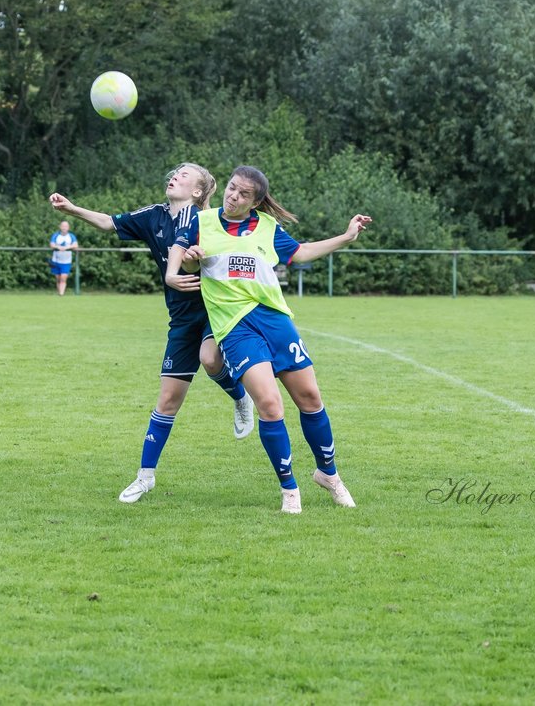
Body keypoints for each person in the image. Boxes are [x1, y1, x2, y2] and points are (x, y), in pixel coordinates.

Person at [166, 165, 371, 514]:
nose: (233, 196)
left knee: (310, 397)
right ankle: (289, 489)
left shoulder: (267, 227)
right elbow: (184, 262)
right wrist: (186, 263)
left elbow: (301, 252)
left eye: (243, 194)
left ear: (255, 202)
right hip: (234, 326)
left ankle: (329, 475)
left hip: (275, 320)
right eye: (231, 189)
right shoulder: (202, 222)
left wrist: (346, 237)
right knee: (270, 405)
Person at [49, 162, 255, 504]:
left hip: (216, 308)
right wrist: (70, 207)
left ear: (198, 192)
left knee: (210, 358)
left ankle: (240, 397)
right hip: (181, 317)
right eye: (175, 172)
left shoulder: (211, 220)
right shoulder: (153, 216)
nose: (174, 175)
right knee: (168, 399)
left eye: (184, 175)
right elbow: (107, 222)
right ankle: (145, 478)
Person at [49, 220, 79, 296]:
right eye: (63, 226)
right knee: (58, 278)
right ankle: (59, 293)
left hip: (66, 261)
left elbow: (75, 245)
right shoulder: (56, 235)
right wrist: (58, 247)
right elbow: (52, 245)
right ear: (60, 227)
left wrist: (66, 247)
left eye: (66, 226)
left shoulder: (71, 236)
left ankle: (61, 294)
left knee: (63, 278)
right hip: (56, 260)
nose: (64, 228)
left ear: (68, 228)